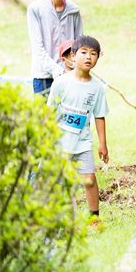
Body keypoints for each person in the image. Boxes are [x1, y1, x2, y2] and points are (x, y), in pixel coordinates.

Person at [47, 35, 109, 225]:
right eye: (83, 52)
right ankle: (54, 216)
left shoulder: (97, 88)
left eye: (93, 54)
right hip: (60, 142)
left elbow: (99, 115)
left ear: (98, 58)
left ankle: (94, 218)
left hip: (82, 143)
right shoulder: (61, 83)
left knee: (89, 179)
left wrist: (103, 144)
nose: (88, 57)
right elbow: (49, 112)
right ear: (73, 56)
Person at [27, 0, 83, 96]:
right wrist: (56, 69)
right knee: (45, 116)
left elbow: (78, 43)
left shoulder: (74, 10)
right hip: (43, 77)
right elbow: (37, 47)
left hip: (69, 75)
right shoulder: (35, 9)